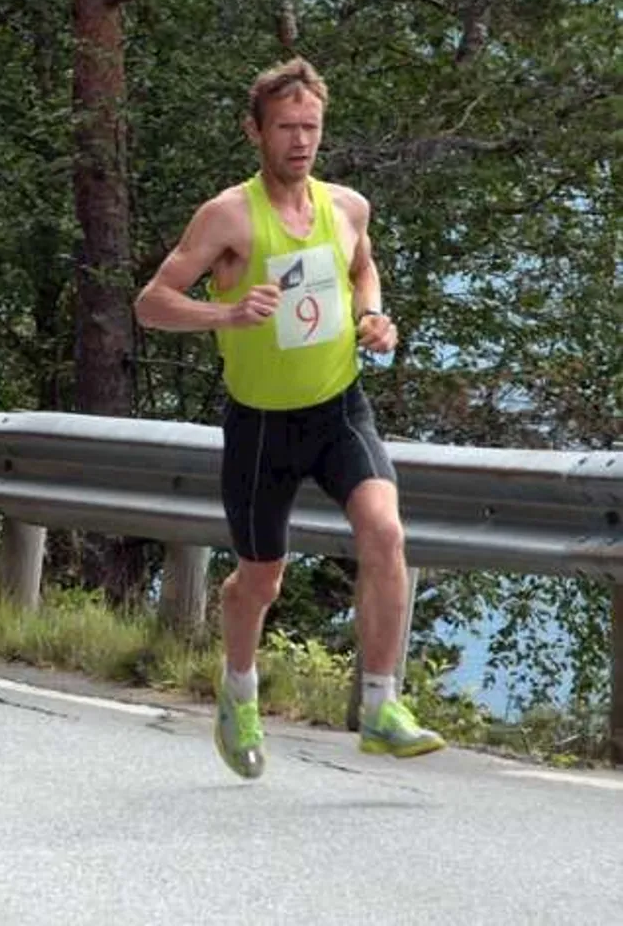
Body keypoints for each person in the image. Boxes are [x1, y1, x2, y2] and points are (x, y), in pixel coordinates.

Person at [134, 57, 444, 775]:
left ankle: (380, 705)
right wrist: (227, 311)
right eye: (285, 129)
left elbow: (363, 265)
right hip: (262, 425)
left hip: (339, 410)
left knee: (385, 531)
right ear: (256, 132)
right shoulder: (228, 217)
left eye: (311, 127)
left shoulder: (346, 207)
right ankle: (237, 694)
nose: (300, 142)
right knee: (260, 580)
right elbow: (150, 304)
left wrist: (373, 316)